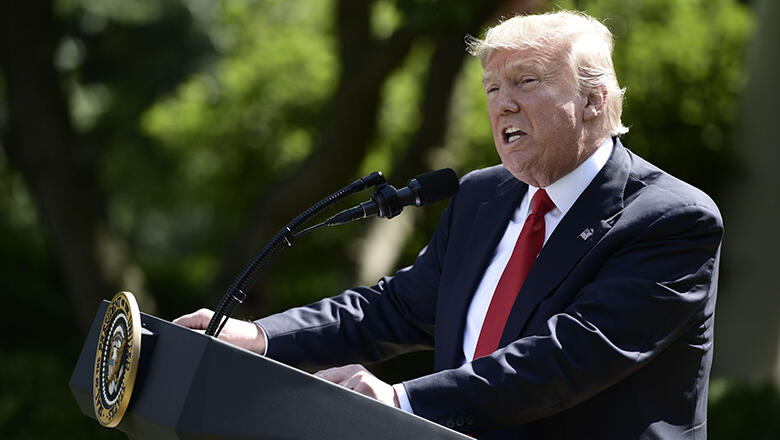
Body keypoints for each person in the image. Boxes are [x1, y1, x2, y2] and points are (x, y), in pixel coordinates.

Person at [175, 10, 723, 439]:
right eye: (491, 88)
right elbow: (395, 308)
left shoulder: (670, 219)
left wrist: (401, 402)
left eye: (525, 81)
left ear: (593, 100)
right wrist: (261, 336)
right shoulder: (483, 196)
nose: (502, 104)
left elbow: (565, 361)